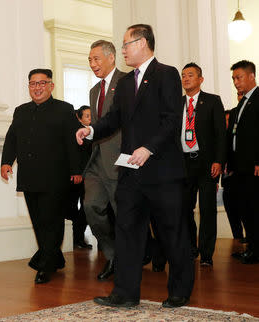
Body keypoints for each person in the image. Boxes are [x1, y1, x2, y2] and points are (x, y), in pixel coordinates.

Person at [76, 24, 194, 308]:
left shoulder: (166, 74)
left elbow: (170, 119)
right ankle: (125, 293)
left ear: (143, 43)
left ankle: (179, 291)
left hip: (162, 170)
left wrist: (148, 148)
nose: (124, 50)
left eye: (127, 44)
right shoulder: (126, 83)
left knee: (171, 231)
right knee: (127, 231)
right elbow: (113, 119)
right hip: (130, 171)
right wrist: (91, 130)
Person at [1, 68, 82, 284]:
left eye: (42, 83)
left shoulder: (65, 110)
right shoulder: (21, 111)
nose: (37, 88)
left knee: (51, 221)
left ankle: (45, 264)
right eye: (33, 84)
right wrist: (6, 162)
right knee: (38, 221)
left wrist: (76, 170)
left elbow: (72, 142)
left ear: (51, 86)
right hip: (29, 176)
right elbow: (11, 139)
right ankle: (54, 258)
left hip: (56, 177)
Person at [85, 40, 126, 281]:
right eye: (90, 60)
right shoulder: (94, 91)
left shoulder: (127, 82)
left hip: (120, 159)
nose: (92, 64)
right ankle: (112, 255)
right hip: (96, 160)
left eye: (96, 58)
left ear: (111, 57)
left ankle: (129, 259)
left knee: (124, 215)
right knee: (91, 206)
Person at [180, 63, 226, 266]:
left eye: (190, 75)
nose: (186, 79)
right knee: (183, 208)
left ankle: (206, 254)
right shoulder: (176, 103)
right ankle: (191, 247)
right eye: (183, 76)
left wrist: (219, 161)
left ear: (200, 79)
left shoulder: (212, 101)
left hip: (207, 163)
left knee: (208, 210)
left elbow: (220, 135)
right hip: (183, 164)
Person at [227, 60, 259, 264]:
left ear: (251, 76)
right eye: (234, 78)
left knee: (258, 211)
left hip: (256, 167)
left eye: (239, 77)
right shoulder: (242, 102)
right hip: (241, 167)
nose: (236, 82)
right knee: (246, 208)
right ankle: (251, 248)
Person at [222, 94, 246, 242]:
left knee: (246, 213)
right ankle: (238, 241)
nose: (227, 123)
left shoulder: (239, 139)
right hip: (227, 185)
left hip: (241, 181)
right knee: (232, 215)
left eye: (229, 121)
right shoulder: (221, 141)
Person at [67, 105, 92, 249]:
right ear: (79, 117)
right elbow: (75, 154)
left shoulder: (94, 131)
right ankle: (77, 239)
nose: (90, 118)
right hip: (77, 177)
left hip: (89, 176)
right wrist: (76, 172)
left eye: (91, 115)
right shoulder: (75, 131)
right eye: (87, 115)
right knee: (73, 209)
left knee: (85, 208)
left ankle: (79, 238)